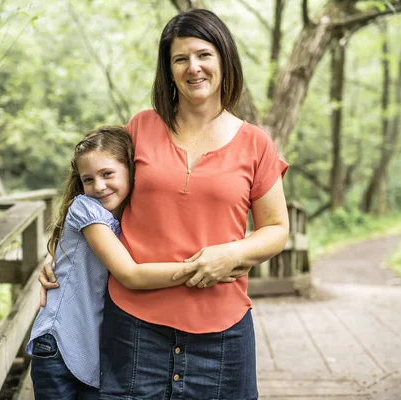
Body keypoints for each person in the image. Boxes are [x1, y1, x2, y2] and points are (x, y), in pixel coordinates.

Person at [40, 8, 289, 400]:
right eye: (180, 58)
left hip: (222, 330)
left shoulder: (256, 143)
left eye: (204, 54)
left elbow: (276, 230)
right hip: (135, 328)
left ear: (224, 58)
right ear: (168, 70)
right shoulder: (139, 129)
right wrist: (65, 256)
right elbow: (96, 198)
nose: (194, 67)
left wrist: (232, 253)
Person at [27, 126, 200, 400]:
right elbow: (129, 274)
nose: (98, 186)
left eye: (108, 174)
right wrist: (199, 269)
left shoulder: (131, 217)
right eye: (88, 179)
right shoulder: (86, 208)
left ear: (131, 170)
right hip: (58, 344)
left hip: (92, 352)